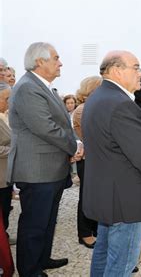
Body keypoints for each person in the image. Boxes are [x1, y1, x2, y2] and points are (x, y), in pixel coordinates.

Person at [82, 51, 141, 276]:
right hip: (124, 198)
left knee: (104, 250)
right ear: (117, 71)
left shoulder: (98, 98)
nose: (140, 74)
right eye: (136, 68)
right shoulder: (121, 105)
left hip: (106, 193)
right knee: (122, 263)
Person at [7, 42, 83, 276]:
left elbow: (63, 123)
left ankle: (42, 259)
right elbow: (46, 128)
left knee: (48, 220)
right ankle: (30, 270)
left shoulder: (45, 87)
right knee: (34, 223)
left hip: (51, 168)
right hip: (37, 170)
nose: (60, 62)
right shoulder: (28, 88)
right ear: (40, 62)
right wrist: (74, 146)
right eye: (56, 58)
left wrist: (75, 144)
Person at [72, 76, 102, 249]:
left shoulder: (90, 107)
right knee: (87, 196)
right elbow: (92, 135)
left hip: (94, 158)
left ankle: (93, 227)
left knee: (95, 195)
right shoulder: (83, 109)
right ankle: (84, 233)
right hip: (88, 159)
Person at [0, 83, 12, 240]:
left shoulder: (5, 115)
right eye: (6, 99)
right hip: (0, 176)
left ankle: (4, 236)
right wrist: (15, 151)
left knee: (5, 210)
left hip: (6, 175)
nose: (9, 102)